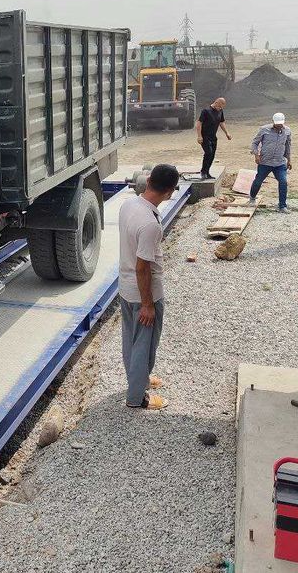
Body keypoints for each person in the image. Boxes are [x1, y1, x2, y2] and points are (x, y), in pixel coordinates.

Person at [119, 164, 180, 410]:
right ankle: (137, 398)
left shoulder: (130, 205)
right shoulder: (150, 224)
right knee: (145, 345)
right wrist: (147, 305)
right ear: (169, 192)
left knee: (130, 340)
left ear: (149, 180)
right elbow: (143, 267)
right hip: (143, 293)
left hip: (125, 288)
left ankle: (137, 378)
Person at [248, 112, 292, 213]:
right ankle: (252, 198)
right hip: (265, 162)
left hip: (279, 163)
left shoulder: (287, 131)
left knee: (283, 182)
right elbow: (255, 143)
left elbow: (288, 146)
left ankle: (282, 206)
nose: (279, 126)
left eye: (281, 124)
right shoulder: (264, 129)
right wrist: (256, 155)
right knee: (258, 181)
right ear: (273, 122)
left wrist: (289, 160)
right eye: (277, 124)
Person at [196, 97, 231, 179]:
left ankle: (207, 172)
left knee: (212, 155)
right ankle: (203, 172)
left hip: (213, 137)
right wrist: (199, 136)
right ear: (216, 103)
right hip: (204, 136)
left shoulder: (220, 111)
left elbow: (221, 122)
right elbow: (199, 123)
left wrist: (227, 133)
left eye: (222, 107)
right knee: (208, 152)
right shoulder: (206, 111)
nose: (220, 108)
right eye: (219, 106)